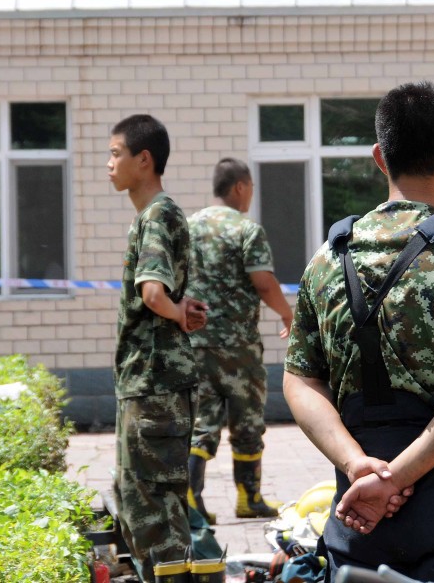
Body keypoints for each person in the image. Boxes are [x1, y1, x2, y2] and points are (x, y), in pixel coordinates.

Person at [283, 81, 434, 582]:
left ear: (379, 157)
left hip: (359, 517)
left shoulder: (327, 259)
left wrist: (360, 469)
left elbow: (299, 381)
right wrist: (395, 477)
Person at [107, 114, 208, 582]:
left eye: (115, 154)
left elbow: (151, 291)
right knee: (142, 505)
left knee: (152, 515)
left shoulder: (158, 215)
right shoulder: (157, 215)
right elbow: (162, 297)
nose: (109, 164)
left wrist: (172, 308)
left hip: (154, 385)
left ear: (143, 160)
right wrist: (180, 310)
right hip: (151, 384)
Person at [186, 158, 294, 523]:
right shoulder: (247, 230)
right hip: (238, 347)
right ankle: (250, 498)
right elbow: (263, 281)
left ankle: (191, 499)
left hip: (195, 342)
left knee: (202, 422)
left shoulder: (187, 227)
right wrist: (286, 313)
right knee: (246, 421)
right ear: (240, 187)